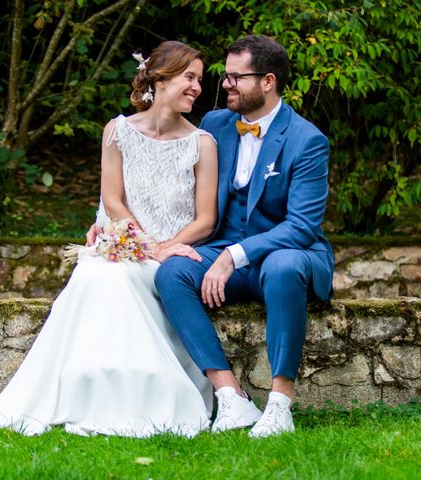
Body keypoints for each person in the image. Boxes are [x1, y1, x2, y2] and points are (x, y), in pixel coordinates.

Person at [0, 40, 219, 437]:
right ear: (160, 78)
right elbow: (112, 200)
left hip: (175, 253)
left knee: (114, 278)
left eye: (200, 79)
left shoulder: (202, 143)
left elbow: (206, 219)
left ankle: (143, 394)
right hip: (128, 244)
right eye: (189, 77)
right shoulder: (117, 132)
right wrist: (142, 244)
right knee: (97, 275)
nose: (198, 87)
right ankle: (88, 391)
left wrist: (164, 249)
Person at [154, 34, 334, 438]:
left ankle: (280, 404)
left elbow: (301, 226)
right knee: (172, 273)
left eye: (236, 77)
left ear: (267, 81)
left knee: (285, 266)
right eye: (225, 75)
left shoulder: (308, 141)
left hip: (288, 253)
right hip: (223, 251)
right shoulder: (216, 124)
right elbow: (162, 159)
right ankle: (232, 397)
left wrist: (234, 254)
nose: (225, 85)